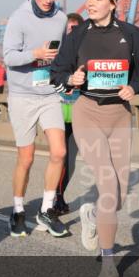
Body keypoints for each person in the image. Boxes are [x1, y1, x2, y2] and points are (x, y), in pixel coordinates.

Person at [51, 0, 139, 277]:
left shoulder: (130, 34)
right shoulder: (77, 36)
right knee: (108, 183)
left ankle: (92, 216)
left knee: (119, 194)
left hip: (119, 115)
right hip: (88, 112)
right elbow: (57, 73)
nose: (90, 3)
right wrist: (70, 78)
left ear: (112, 3)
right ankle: (108, 263)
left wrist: (135, 87)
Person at [2, 0, 69, 237]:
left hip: (49, 93)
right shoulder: (19, 18)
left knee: (59, 152)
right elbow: (8, 57)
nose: (48, 0)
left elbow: (62, 52)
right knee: (26, 158)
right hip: (21, 95)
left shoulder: (61, 18)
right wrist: (36, 54)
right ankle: (18, 210)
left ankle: (47, 209)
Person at [52, 12, 84, 216]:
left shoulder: (87, 53)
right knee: (60, 157)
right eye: (68, 29)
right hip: (57, 114)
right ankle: (55, 198)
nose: (71, 32)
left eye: (75, 29)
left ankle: (59, 194)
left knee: (70, 162)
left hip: (80, 115)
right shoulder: (57, 54)